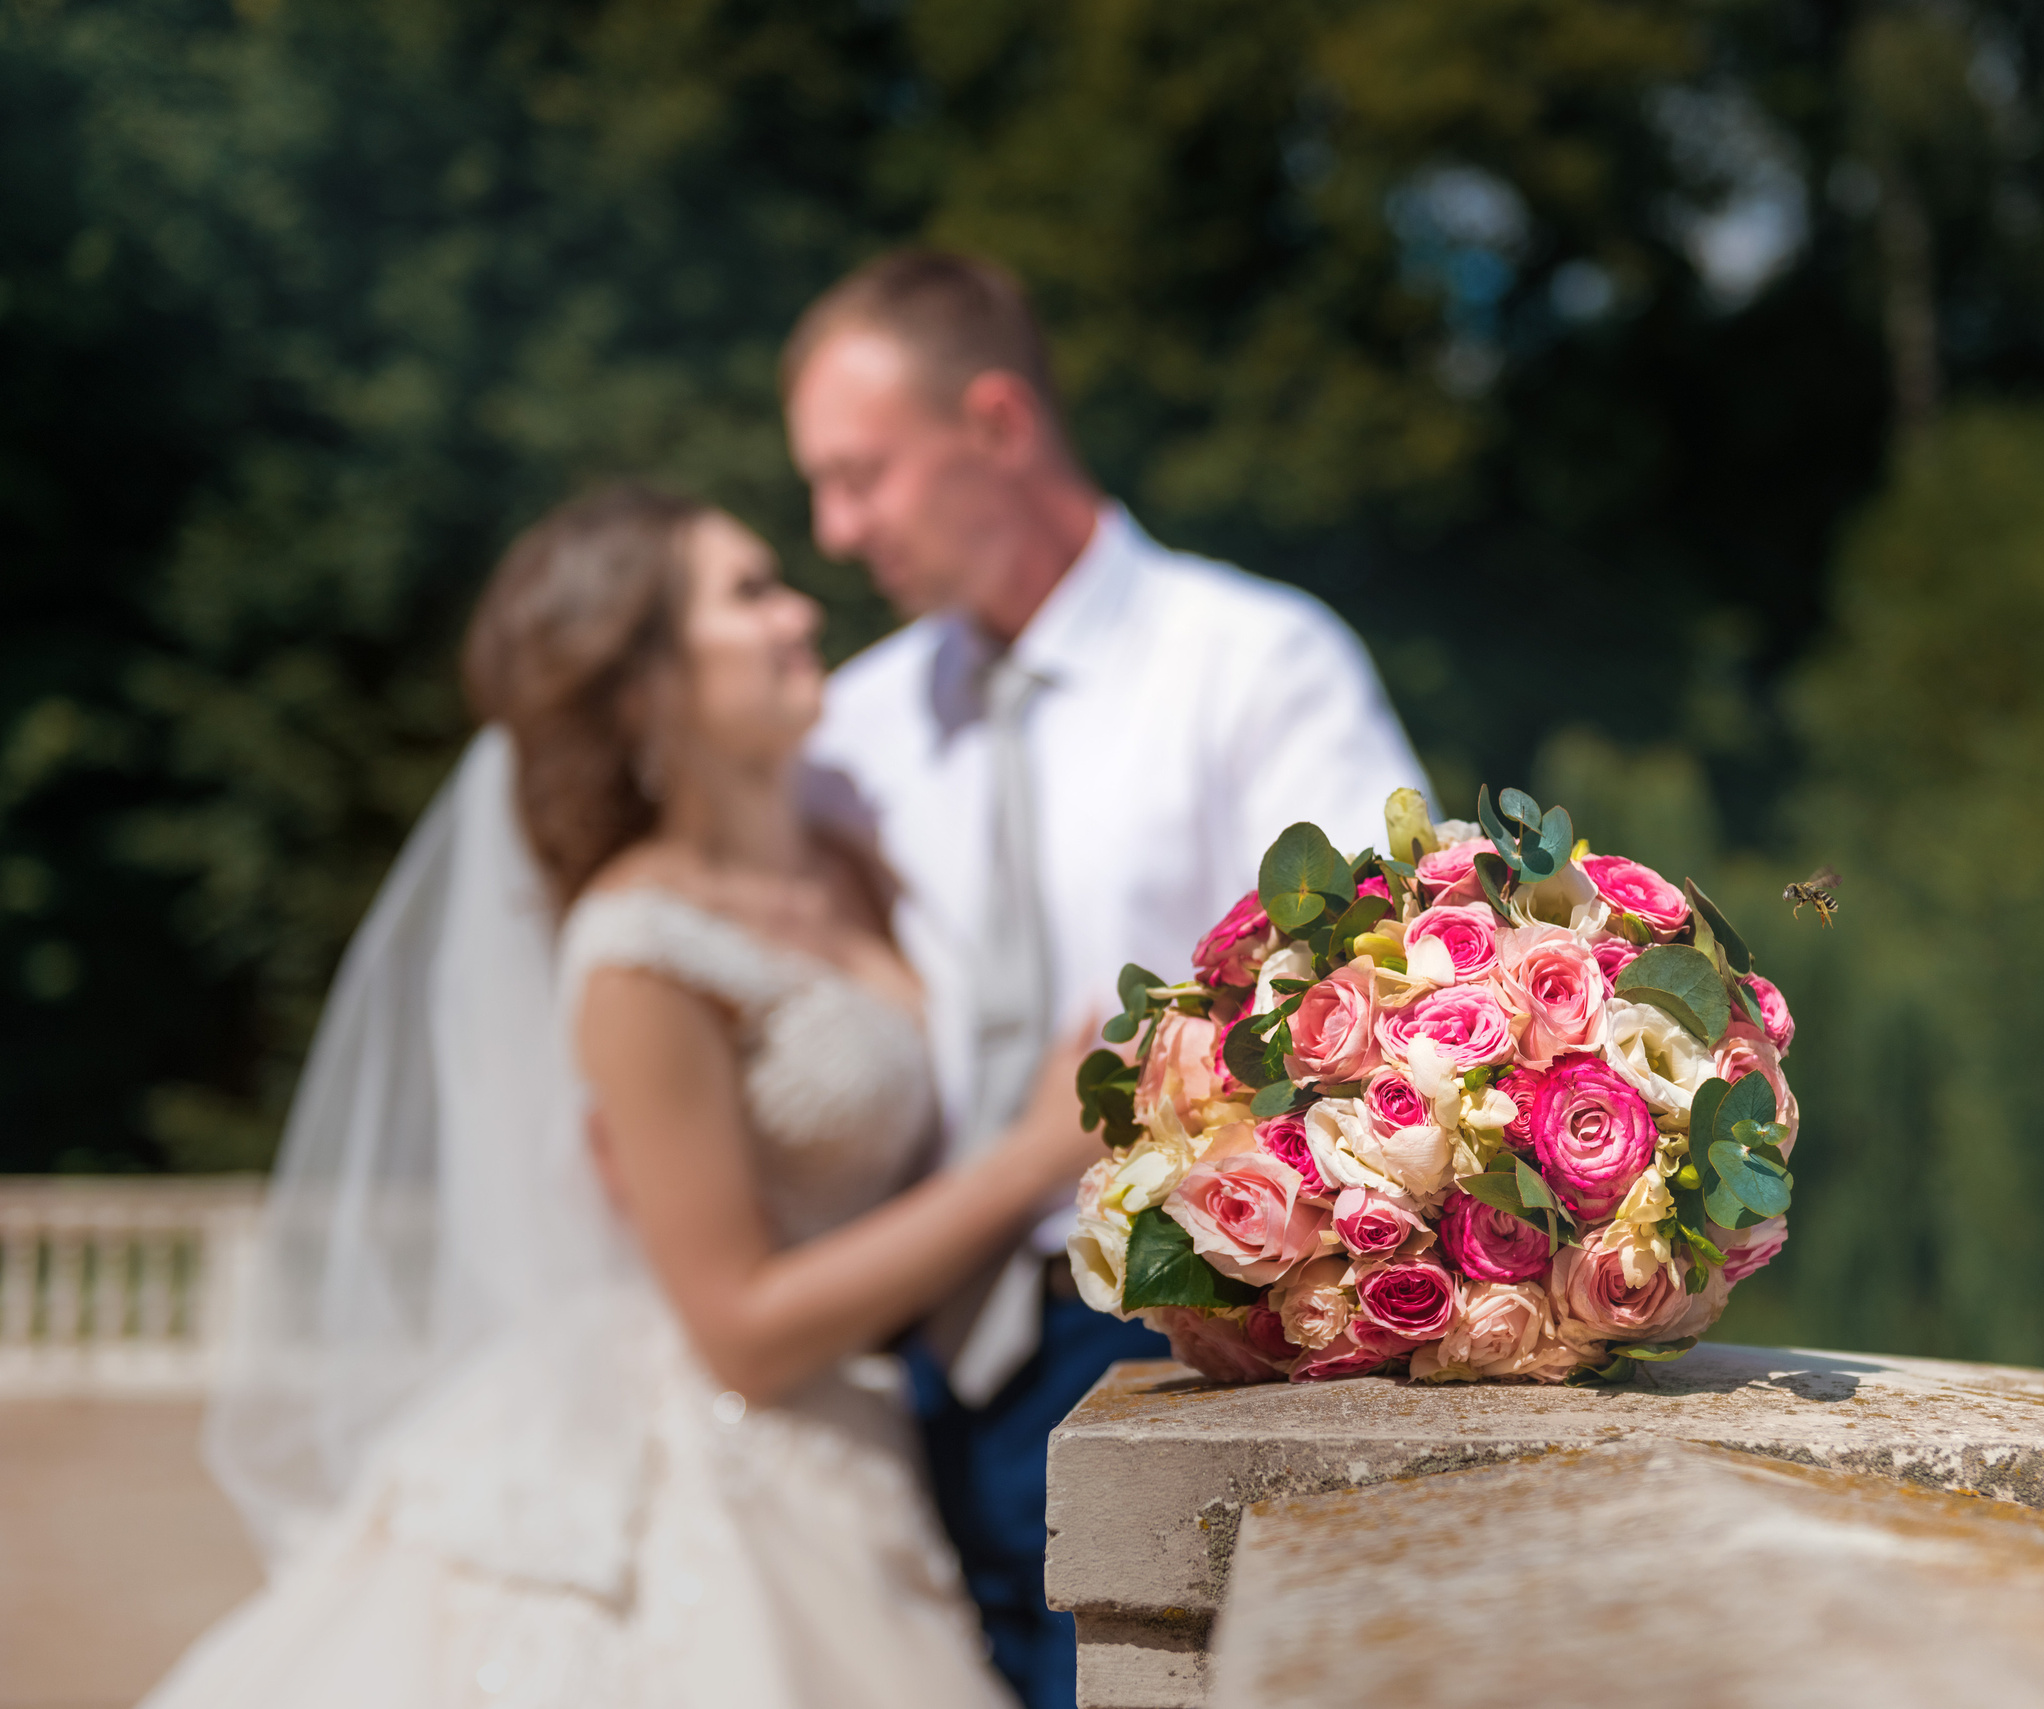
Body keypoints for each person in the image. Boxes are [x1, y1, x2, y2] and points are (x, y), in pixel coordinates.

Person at [151, 486, 1103, 1708]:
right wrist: (1029, 1160)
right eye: (750, 593)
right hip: (721, 1452)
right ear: (644, 682)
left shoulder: (852, 859)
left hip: (882, 1428)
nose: (802, 610)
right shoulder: (636, 950)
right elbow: (741, 1330)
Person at [782, 249, 1427, 1707]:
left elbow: (1356, 992)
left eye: (861, 475)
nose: (835, 529)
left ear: (997, 424)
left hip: (1168, 1327)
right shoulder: (855, 728)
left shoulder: (1256, 664)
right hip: (907, 1352)